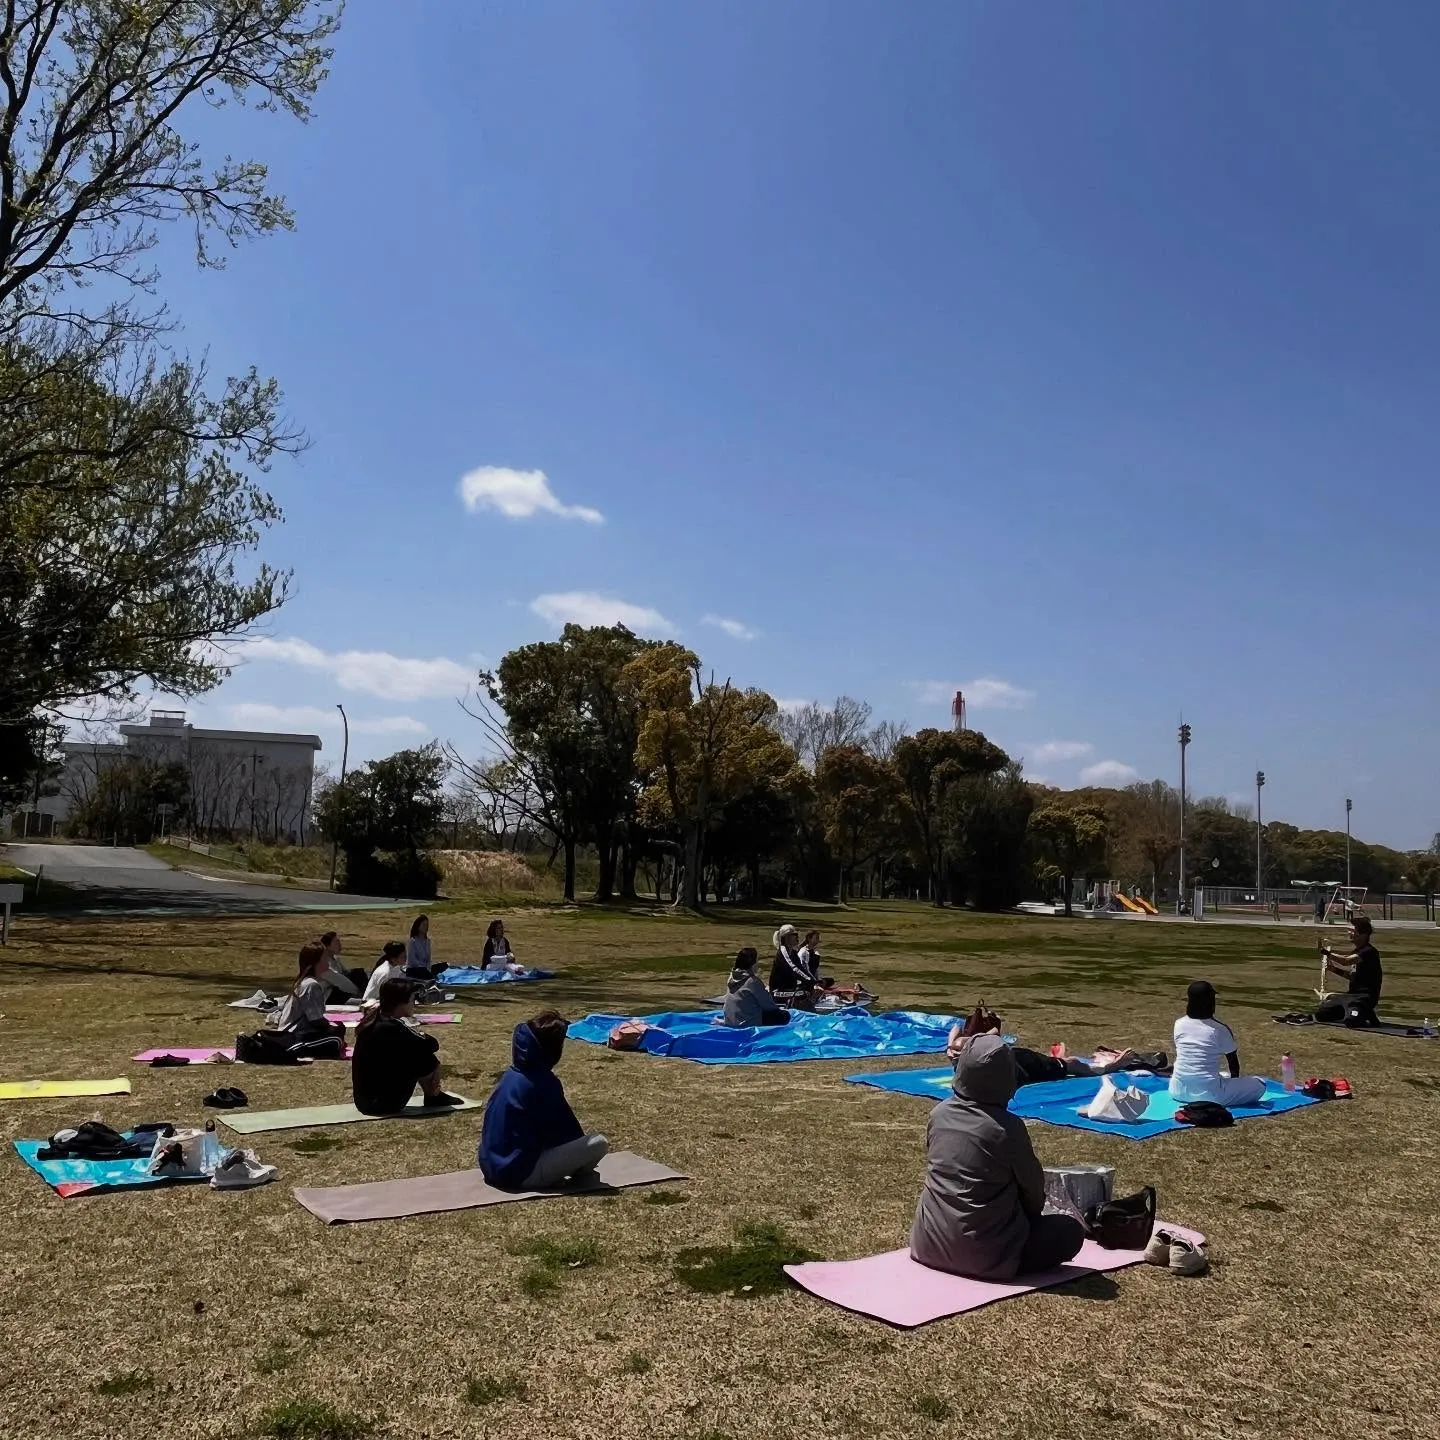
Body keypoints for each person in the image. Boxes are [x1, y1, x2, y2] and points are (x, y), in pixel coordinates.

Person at [910, 1033, 1085, 1281]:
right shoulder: (1006, 1128)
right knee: (1069, 1232)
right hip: (985, 1256)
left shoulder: (938, 1115)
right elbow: (1033, 1194)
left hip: (927, 1244)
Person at [479, 1010, 608, 1191]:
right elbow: (567, 1134)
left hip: (492, 1167)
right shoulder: (543, 1083)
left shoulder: (510, 1076)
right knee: (598, 1143)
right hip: (519, 1174)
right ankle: (577, 1174)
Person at [351, 978, 462, 1114]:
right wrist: (419, 1032)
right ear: (401, 1003)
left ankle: (434, 1096)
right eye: (412, 1000)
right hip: (381, 1104)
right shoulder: (392, 1027)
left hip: (364, 1101)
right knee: (426, 1058)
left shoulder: (374, 1021)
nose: (413, 1004)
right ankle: (434, 1096)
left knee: (414, 1054)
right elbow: (432, 1045)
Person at [1169, 981, 1267, 1107]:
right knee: (1260, 1083)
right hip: (1210, 1096)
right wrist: (1234, 1084)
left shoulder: (1179, 1024)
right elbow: (1233, 1063)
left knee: (1223, 1075)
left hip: (1177, 1091)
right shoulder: (1218, 1030)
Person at [273, 943, 348, 1053]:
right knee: (336, 1039)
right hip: (295, 1036)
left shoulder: (306, 982)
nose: (327, 962)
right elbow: (316, 1020)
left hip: (294, 1033)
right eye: (324, 959)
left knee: (339, 1030)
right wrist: (331, 1027)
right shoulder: (311, 985)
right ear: (316, 963)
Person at [1316, 917, 1383, 1025]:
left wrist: (1326, 953)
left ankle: (1364, 1013)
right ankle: (1356, 1012)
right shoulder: (1358, 951)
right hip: (1351, 996)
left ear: (1363, 934)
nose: (1349, 932)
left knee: (1352, 1021)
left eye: (1352, 930)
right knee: (1322, 1014)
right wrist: (1334, 969)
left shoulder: (1369, 952)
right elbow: (1352, 977)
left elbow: (1345, 961)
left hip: (1364, 998)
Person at [722, 948, 789, 1028]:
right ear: (753, 964)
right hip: (746, 1023)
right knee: (784, 1016)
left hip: (730, 1021)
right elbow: (768, 1005)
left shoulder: (731, 977)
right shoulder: (752, 981)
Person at [769, 924, 820, 1004]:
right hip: (778, 991)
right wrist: (810, 981)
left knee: (809, 988)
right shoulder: (783, 951)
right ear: (787, 937)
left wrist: (813, 981)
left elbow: (801, 968)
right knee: (806, 992)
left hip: (789, 988)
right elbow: (793, 969)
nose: (798, 937)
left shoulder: (793, 952)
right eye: (795, 935)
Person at [319, 930, 367, 1003]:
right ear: (328, 946)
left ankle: (366, 995)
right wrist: (357, 991)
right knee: (357, 974)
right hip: (328, 997)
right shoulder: (325, 963)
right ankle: (366, 997)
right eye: (336, 942)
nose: (339, 945)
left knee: (358, 972)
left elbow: (345, 973)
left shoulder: (335, 958)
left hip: (339, 989)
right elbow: (340, 981)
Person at [362, 941, 410, 1005]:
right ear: (393, 959)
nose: (406, 958)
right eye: (402, 956)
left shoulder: (396, 967)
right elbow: (383, 996)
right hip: (371, 1004)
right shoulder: (384, 972)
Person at [405, 914, 446, 981]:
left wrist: (428, 967)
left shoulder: (428, 941)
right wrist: (423, 967)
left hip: (425, 968)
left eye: (427, 925)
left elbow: (428, 958)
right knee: (425, 973)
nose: (425, 927)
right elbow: (412, 960)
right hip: (414, 969)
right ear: (418, 926)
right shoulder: (412, 941)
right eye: (423, 925)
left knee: (444, 966)